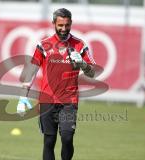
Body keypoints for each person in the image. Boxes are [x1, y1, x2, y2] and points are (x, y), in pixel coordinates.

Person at [16, 8, 96, 160]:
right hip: (47, 100)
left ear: (71, 23)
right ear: (54, 23)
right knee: (49, 141)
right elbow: (31, 71)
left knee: (67, 138)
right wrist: (22, 97)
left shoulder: (80, 45)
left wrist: (82, 64)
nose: (64, 29)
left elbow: (92, 73)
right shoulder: (44, 45)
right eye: (60, 25)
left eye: (67, 25)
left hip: (69, 101)